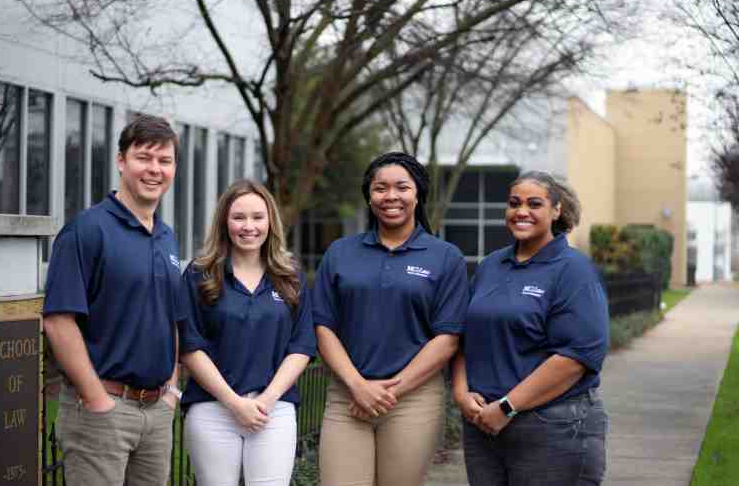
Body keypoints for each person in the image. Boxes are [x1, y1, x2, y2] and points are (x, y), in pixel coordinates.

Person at [313, 152, 470, 486]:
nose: (391, 196)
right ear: (369, 197)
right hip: (347, 396)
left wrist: (388, 393)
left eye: (402, 187)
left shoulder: (446, 257)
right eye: (380, 188)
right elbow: (323, 326)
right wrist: (358, 387)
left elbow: (448, 337)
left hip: (413, 399)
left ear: (418, 194)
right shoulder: (340, 253)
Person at [43, 115, 184, 486]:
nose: (154, 169)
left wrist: (170, 391)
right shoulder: (87, 231)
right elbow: (58, 320)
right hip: (102, 409)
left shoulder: (167, 238)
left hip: (156, 412)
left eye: (164, 160)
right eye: (144, 157)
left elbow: (170, 319)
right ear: (121, 161)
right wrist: (97, 399)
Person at [452, 170, 610, 486]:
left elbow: (575, 358)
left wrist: (507, 407)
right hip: (483, 426)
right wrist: (460, 392)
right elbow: (464, 336)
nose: (521, 211)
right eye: (514, 203)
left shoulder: (573, 271)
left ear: (556, 210)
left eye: (534, 204)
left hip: (553, 427)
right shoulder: (490, 266)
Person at [178, 179, 316, 486]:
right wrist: (234, 402)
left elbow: (302, 345)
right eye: (239, 217)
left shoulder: (290, 276)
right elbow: (190, 344)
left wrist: (266, 400)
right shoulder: (200, 275)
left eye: (257, 217)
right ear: (224, 222)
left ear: (271, 221)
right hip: (212, 409)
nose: (248, 226)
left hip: (274, 410)